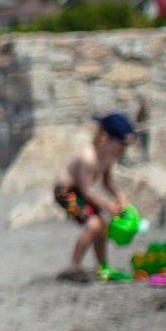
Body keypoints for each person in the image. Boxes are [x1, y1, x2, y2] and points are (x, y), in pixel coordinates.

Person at [55, 111, 134, 282]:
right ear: (106, 137)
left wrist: (121, 199)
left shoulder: (108, 156)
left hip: (80, 192)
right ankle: (73, 267)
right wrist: (109, 207)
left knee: (102, 227)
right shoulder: (89, 157)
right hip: (66, 192)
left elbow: (108, 183)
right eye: (121, 144)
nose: (123, 150)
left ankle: (103, 267)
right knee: (94, 226)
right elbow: (86, 190)